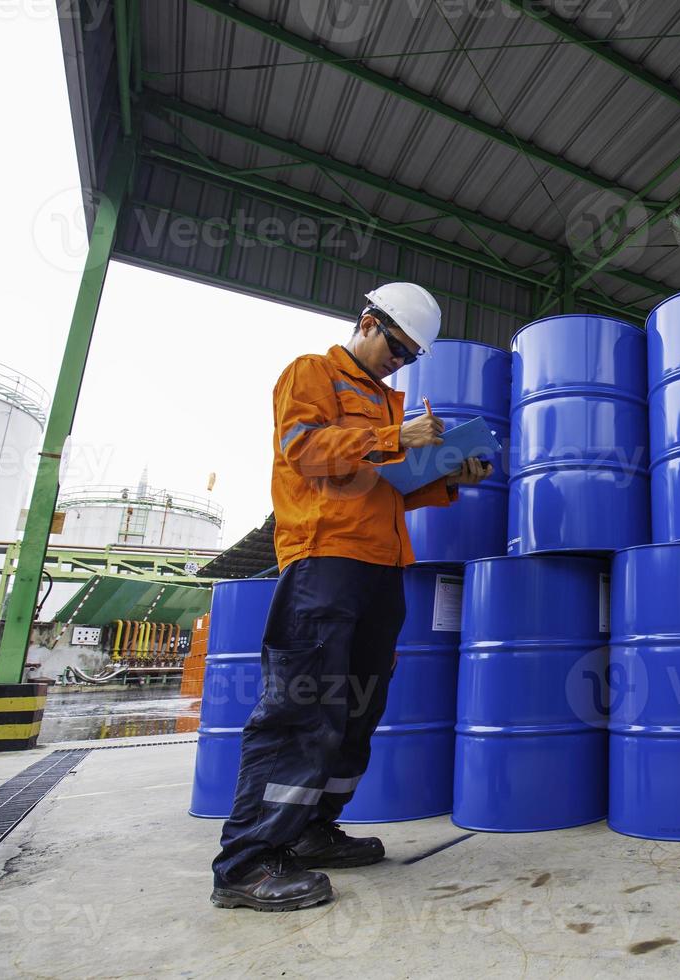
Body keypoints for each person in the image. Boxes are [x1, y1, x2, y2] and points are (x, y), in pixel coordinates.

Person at [210, 282, 492, 912]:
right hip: (324, 561)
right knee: (301, 708)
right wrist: (399, 438)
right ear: (368, 323)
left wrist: (450, 473)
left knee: (356, 711)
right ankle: (247, 863)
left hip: (383, 566)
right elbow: (305, 450)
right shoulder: (312, 374)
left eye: (411, 355)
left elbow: (391, 486)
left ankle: (311, 830)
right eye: (397, 346)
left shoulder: (391, 406)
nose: (401, 361)